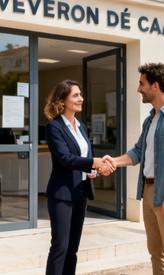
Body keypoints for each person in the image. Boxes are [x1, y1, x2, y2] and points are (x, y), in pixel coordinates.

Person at [103, 63, 164, 275]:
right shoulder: (150, 119)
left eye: (141, 83)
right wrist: (114, 162)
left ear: (155, 86)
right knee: (156, 252)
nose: (138, 88)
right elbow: (137, 152)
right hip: (148, 191)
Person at [43, 80, 114, 275]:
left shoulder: (81, 126)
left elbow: (83, 157)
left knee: (73, 249)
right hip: (62, 194)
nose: (80, 98)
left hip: (80, 193)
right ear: (62, 100)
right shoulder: (54, 127)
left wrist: (94, 169)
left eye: (80, 94)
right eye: (75, 95)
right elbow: (65, 158)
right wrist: (94, 162)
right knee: (60, 247)